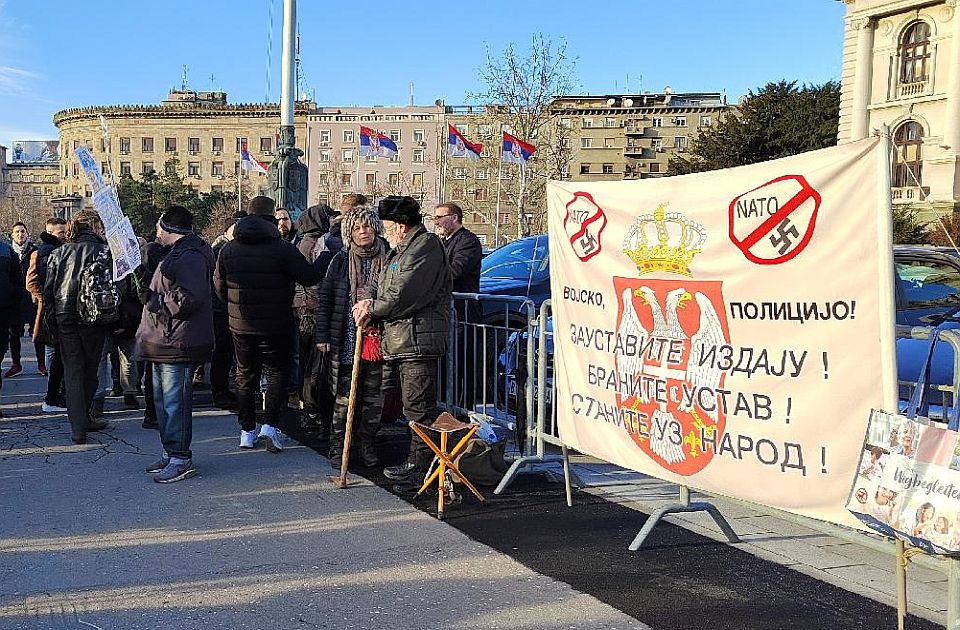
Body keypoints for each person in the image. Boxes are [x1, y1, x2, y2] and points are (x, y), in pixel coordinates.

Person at [213, 195, 328, 453]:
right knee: (276, 373)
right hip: (276, 324)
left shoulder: (228, 249)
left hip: (240, 325)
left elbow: (218, 288)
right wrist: (326, 257)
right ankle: (270, 427)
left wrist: (233, 309)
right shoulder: (282, 248)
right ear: (270, 219)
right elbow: (309, 277)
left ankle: (246, 430)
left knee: (245, 375)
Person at [351, 196, 451, 486]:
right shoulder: (402, 251)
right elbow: (382, 284)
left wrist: (373, 307)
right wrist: (367, 299)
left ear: (401, 226)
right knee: (411, 406)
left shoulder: (425, 247)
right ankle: (418, 462)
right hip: (403, 340)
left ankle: (422, 468)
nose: (384, 232)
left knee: (419, 407)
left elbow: (403, 294)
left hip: (418, 340)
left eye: (387, 227)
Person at [136, 205, 215, 483]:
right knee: (162, 401)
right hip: (164, 338)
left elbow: (191, 296)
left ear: (169, 229)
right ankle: (172, 452)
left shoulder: (190, 255)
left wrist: (157, 302)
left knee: (174, 402)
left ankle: (180, 456)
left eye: (159, 226)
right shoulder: (176, 254)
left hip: (177, 340)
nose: (156, 232)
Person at [316, 205, 389, 467]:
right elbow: (325, 299)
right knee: (344, 398)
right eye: (357, 228)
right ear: (349, 232)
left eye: (367, 226)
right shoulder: (340, 261)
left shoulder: (390, 258)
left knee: (374, 398)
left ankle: (367, 444)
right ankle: (339, 446)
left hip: (379, 339)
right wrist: (322, 335)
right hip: (346, 338)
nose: (363, 232)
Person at [42, 210, 113, 444]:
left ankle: (78, 427)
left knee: (73, 370)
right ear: (93, 226)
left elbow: (49, 291)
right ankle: (85, 418)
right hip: (93, 317)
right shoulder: (103, 251)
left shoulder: (59, 252)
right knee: (90, 368)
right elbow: (113, 289)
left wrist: (52, 321)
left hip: (65, 316)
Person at [294, 201, 344, 436]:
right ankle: (315, 412)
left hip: (303, 313)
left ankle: (309, 411)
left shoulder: (299, 242)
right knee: (318, 369)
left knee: (308, 366)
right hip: (317, 313)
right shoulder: (324, 243)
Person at [434, 202, 482, 409]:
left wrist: (430, 278)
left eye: (440, 217)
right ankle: (446, 407)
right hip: (446, 313)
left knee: (462, 364)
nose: (436, 222)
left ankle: (462, 410)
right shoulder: (442, 242)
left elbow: (456, 270)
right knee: (446, 365)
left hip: (464, 313)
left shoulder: (468, 241)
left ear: (454, 217)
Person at [26, 217, 67, 412]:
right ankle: (53, 395)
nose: (64, 235)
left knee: (60, 351)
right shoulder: (39, 253)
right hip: (49, 310)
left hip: (61, 308)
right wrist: (46, 298)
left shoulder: (66, 250)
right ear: (50, 232)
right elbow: (31, 282)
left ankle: (58, 392)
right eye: (61, 232)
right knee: (53, 350)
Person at [138, 227, 171, 430]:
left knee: (156, 369)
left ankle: (154, 412)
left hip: (155, 314)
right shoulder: (154, 251)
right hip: (157, 315)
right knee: (157, 369)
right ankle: (154, 412)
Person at [209, 216, 240, 409]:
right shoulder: (220, 250)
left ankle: (223, 389)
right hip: (221, 308)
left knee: (227, 353)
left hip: (228, 306)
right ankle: (219, 391)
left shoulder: (227, 249)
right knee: (222, 352)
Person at [6, 221, 39, 378]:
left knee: (37, 332)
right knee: (14, 333)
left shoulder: (35, 251)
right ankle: (16, 364)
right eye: (17, 232)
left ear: (27, 234)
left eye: (23, 231)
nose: (20, 234)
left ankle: (41, 364)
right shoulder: (7, 252)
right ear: (12, 235)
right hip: (14, 299)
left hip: (31, 298)